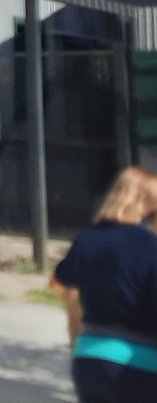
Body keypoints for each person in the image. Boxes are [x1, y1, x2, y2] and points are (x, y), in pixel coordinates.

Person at [51, 166, 157, 402]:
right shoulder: (150, 246)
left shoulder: (87, 237)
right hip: (139, 365)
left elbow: (64, 276)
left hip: (88, 357)